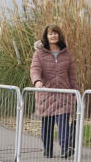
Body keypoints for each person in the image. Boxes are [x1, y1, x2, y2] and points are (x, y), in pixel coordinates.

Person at [30, 24, 78, 159]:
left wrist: (75, 91)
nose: (53, 36)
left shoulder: (66, 52)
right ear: (46, 36)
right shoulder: (39, 53)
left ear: (59, 35)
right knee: (47, 126)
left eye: (55, 33)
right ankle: (48, 150)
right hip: (46, 94)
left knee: (63, 123)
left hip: (64, 94)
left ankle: (65, 149)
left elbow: (72, 74)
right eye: (50, 34)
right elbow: (34, 69)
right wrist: (37, 81)